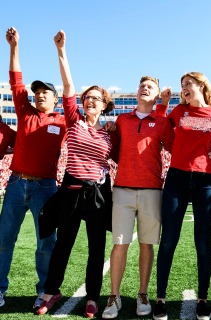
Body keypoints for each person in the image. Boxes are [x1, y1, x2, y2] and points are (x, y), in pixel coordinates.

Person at [36, 30, 114, 319]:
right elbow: (68, 84)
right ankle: (50, 291)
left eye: (96, 98)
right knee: (63, 245)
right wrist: (61, 51)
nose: (89, 101)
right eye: (86, 98)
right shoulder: (74, 121)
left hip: (97, 194)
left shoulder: (109, 134)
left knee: (96, 248)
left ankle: (93, 297)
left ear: (105, 104)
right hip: (70, 190)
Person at [0, 27, 67, 310]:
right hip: (16, 184)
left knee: (45, 243)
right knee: (4, 240)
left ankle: (45, 291)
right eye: (36, 92)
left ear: (55, 99)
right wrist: (14, 47)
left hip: (45, 187)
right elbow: (16, 81)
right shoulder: (24, 112)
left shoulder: (63, 122)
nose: (39, 95)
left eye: (45, 92)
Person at [153, 72, 211, 320]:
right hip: (177, 177)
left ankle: (203, 298)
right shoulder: (178, 112)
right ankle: (160, 298)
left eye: (188, 84)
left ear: (201, 85)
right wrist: (163, 104)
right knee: (169, 239)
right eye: (182, 85)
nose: (183, 88)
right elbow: (161, 126)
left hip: (206, 180)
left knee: (203, 242)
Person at [101, 76, 174, 319]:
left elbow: (176, 148)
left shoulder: (162, 121)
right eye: (142, 86)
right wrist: (109, 130)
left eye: (150, 87)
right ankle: (114, 295)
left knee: (146, 243)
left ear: (156, 96)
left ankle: (142, 293)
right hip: (122, 189)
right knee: (119, 243)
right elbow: (113, 151)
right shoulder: (122, 120)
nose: (144, 88)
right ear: (136, 93)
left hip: (152, 190)